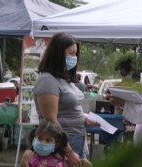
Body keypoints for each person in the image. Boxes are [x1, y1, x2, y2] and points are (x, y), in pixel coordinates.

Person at [33, 32, 99, 166]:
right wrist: (68, 151)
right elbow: (51, 121)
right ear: (58, 54)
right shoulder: (47, 80)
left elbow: (68, 107)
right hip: (63, 143)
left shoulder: (63, 79)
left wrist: (84, 117)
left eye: (75, 54)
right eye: (70, 53)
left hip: (76, 138)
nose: (74, 58)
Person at [21, 121, 93, 167]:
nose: (42, 142)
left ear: (57, 144)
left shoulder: (62, 159)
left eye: (48, 140)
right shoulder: (29, 156)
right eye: (39, 138)